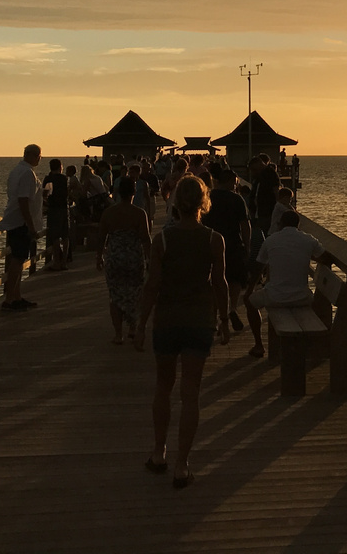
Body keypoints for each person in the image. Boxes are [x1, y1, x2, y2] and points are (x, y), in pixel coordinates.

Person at [137, 176, 230, 489]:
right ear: (204, 202)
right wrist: (226, 320)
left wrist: (140, 323)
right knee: (191, 393)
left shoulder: (162, 240)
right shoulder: (214, 239)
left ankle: (158, 452)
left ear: (175, 201)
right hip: (199, 321)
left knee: (163, 387)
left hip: (167, 320)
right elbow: (220, 283)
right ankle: (182, 465)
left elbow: (152, 285)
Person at [204, 166, 263, 356]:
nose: (236, 185)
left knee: (215, 281)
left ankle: (215, 320)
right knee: (236, 280)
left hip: (212, 242)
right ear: (229, 181)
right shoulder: (236, 199)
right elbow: (245, 225)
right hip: (232, 243)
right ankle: (230, 307)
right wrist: (247, 246)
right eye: (235, 182)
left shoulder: (209, 197)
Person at [96, 175, 152, 344]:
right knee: (134, 293)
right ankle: (133, 328)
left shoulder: (109, 212)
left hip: (114, 256)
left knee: (115, 295)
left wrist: (99, 256)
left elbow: (101, 236)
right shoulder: (139, 213)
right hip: (133, 257)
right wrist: (149, 259)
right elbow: (145, 238)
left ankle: (118, 334)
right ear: (134, 192)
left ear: (119, 192)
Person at [251, 211, 323, 310]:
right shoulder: (309, 240)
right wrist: (307, 254)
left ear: (281, 224)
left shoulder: (270, 240)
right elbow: (324, 257)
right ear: (298, 224)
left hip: (275, 297)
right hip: (302, 297)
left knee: (250, 302)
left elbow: (259, 267)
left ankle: (256, 326)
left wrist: (249, 290)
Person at [1, 144, 43, 311]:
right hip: (21, 223)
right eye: (39, 156)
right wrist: (31, 226)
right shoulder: (27, 173)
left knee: (17, 259)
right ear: (33, 156)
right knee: (17, 261)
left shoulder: (16, 171)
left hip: (13, 220)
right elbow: (23, 200)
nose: (40, 159)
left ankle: (16, 297)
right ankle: (10, 299)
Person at [42, 159, 71, 271]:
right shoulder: (64, 179)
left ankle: (56, 262)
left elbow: (45, 194)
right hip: (64, 208)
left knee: (55, 236)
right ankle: (64, 262)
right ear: (60, 167)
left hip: (54, 209)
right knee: (65, 236)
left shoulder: (49, 179)